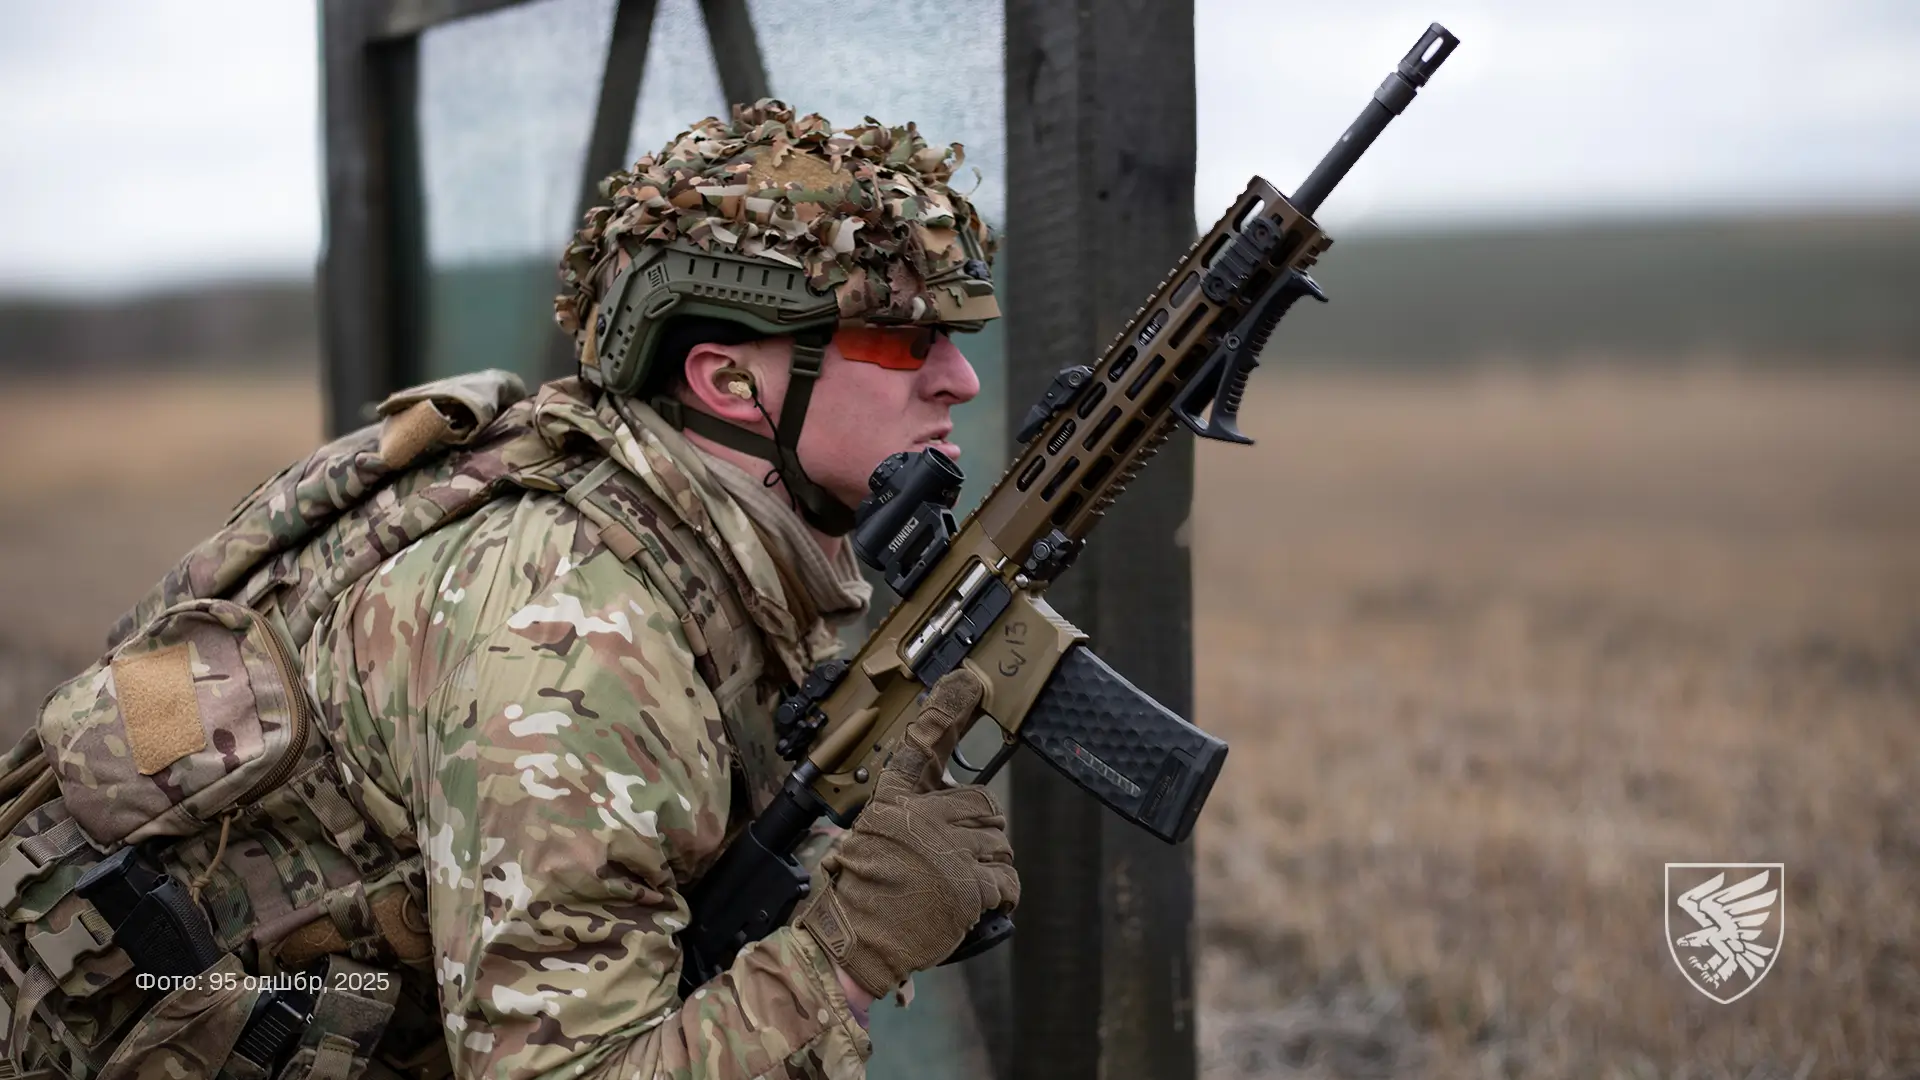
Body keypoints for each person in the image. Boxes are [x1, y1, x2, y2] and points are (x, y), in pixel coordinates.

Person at [299, 101, 1019, 1078]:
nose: (961, 379)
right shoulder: (577, 641)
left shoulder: (711, 553)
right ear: (729, 381)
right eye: (902, 341)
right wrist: (846, 952)